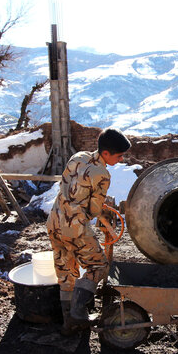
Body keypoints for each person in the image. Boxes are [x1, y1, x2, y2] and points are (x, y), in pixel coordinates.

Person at [47, 127, 131, 335]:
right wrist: (101, 211)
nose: (120, 160)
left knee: (66, 271)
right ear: (105, 154)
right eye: (119, 156)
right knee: (98, 266)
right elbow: (93, 210)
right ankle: (78, 311)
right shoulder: (102, 174)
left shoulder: (78, 157)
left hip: (55, 220)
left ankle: (70, 325)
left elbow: (65, 186)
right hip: (74, 228)